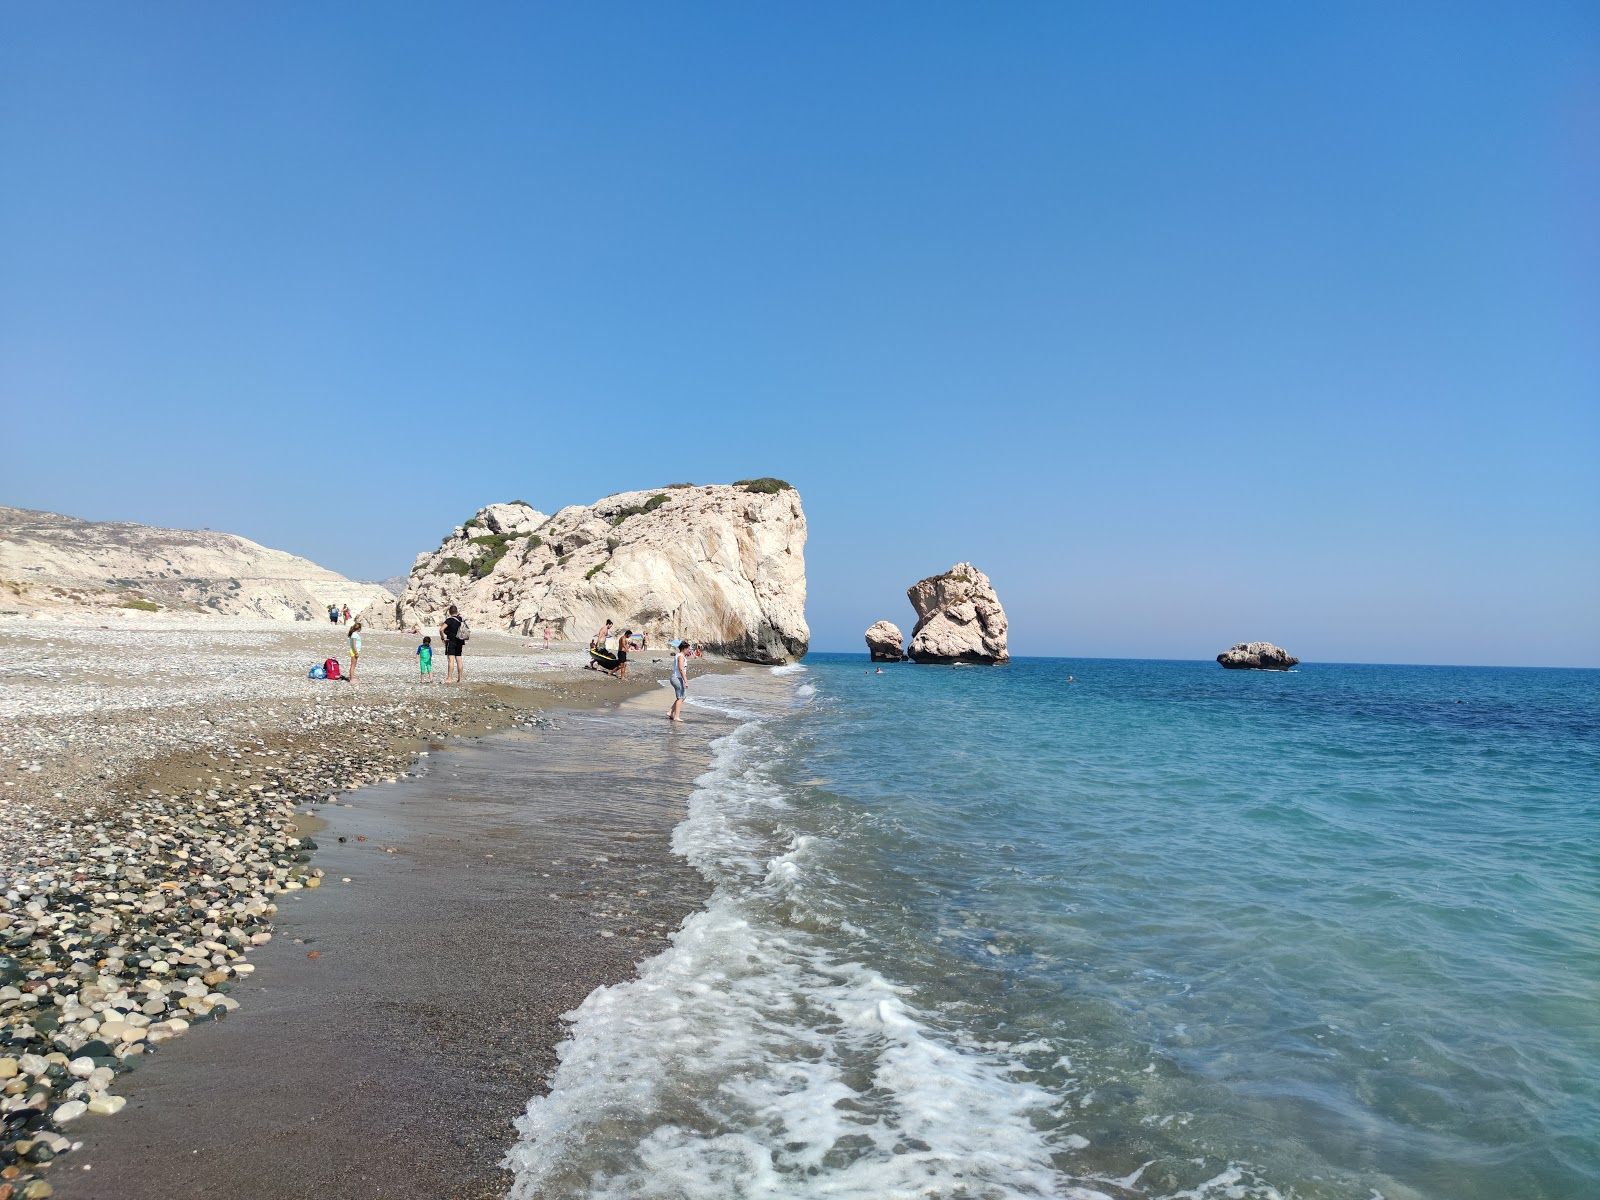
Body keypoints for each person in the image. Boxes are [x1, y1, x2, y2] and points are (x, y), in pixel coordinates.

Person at [441, 605, 466, 684]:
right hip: (460, 640)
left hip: (451, 641)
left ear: (449, 612)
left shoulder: (449, 620)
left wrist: (443, 638)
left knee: (451, 660)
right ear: (457, 611)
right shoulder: (461, 619)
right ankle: (460, 679)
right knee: (459, 659)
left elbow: (441, 630)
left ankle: (449, 678)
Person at [668, 637, 690, 723]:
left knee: (682, 696)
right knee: (680, 697)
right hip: (677, 678)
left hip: (676, 678)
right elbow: (681, 669)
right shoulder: (680, 656)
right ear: (684, 649)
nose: (689, 650)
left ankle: (670, 712)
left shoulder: (680, 655)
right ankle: (676, 716)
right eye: (688, 649)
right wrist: (686, 681)